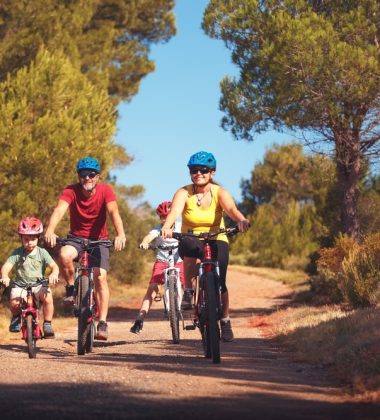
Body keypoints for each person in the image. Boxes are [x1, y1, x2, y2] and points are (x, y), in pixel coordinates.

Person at [161, 151, 250, 342]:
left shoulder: (220, 192)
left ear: (212, 172)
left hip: (217, 236)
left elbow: (231, 209)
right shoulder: (184, 192)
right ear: (190, 172)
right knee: (190, 247)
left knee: (221, 282)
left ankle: (225, 320)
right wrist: (167, 227)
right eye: (194, 170)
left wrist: (241, 220)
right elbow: (175, 210)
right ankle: (189, 291)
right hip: (191, 236)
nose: (198, 173)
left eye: (204, 170)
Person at [44, 156, 126, 341]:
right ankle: (72, 288)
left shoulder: (106, 190)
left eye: (91, 175)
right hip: (76, 239)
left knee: (100, 276)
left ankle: (102, 322)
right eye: (83, 175)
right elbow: (59, 210)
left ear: (98, 176)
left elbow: (113, 212)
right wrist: (50, 230)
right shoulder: (71, 191)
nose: (87, 178)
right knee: (64, 255)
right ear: (78, 176)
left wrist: (120, 234)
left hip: (99, 240)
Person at [130, 201, 184, 334]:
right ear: (159, 217)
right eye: (162, 217)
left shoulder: (181, 227)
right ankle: (139, 320)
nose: (165, 219)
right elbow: (150, 236)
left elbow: (189, 235)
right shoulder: (157, 228)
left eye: (168, 215)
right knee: (152, 289)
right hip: (162, 261)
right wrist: (145, 242)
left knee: (185, 285)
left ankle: (181, 307)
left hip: (178, 261)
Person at [0, 217, 59, 337]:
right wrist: (5, 276)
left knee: (48, 298)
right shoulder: (17, 252)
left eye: (33, 239)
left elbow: (54, 266)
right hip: (20, 285)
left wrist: (54, 274)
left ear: (38, 238)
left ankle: (47, 323)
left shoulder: (42, 252)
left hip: (38, 284)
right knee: (14, 301)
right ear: (21, 238)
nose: (29, 242)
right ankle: (16, 317)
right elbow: (6, 267)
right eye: (26, 239)